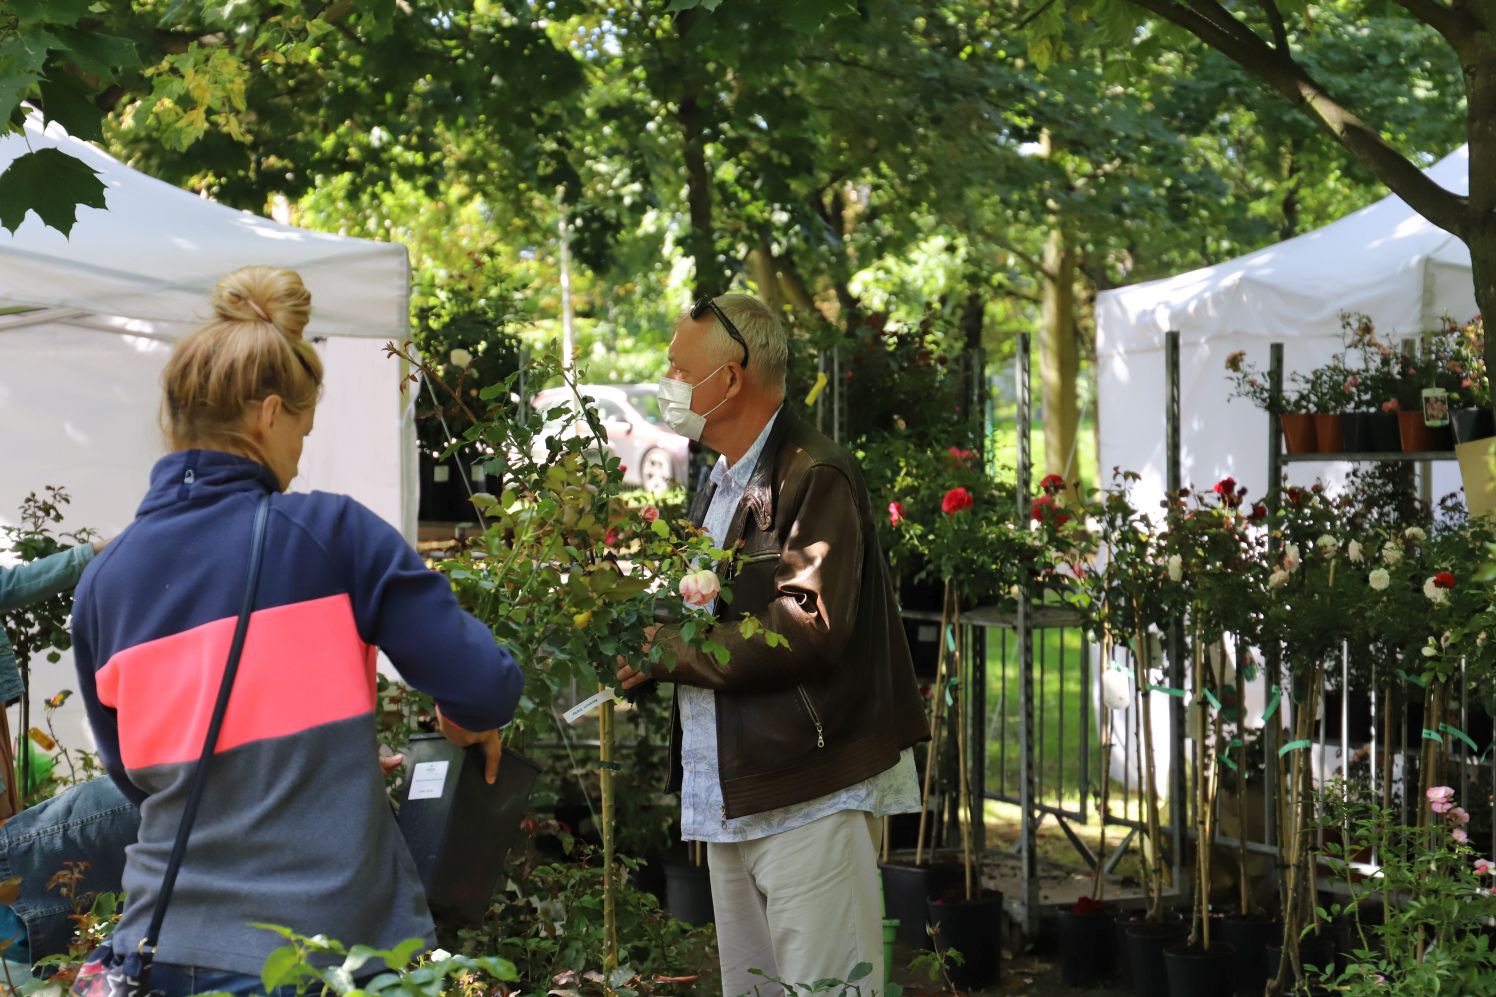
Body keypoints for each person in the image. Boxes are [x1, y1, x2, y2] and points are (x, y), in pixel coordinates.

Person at [70, 266, 524, 996]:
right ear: (269, 414)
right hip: (322, 953)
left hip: (164, 948)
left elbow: (137, 773)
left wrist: (313, 763)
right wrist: (462, 719)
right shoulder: (331, 534)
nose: (297, 459)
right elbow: (485, 683)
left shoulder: (104, 581)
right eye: (302, 433)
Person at [617, 293, 928, 996]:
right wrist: (650, 642)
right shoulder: (721, 480)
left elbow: (806, 627)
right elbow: (720, 614)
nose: (666, 380)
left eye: (676, 367)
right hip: (737, 790)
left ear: (728, 380)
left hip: (807, 789)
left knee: (827, 989)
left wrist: (673, 650)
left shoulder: (814, 473)